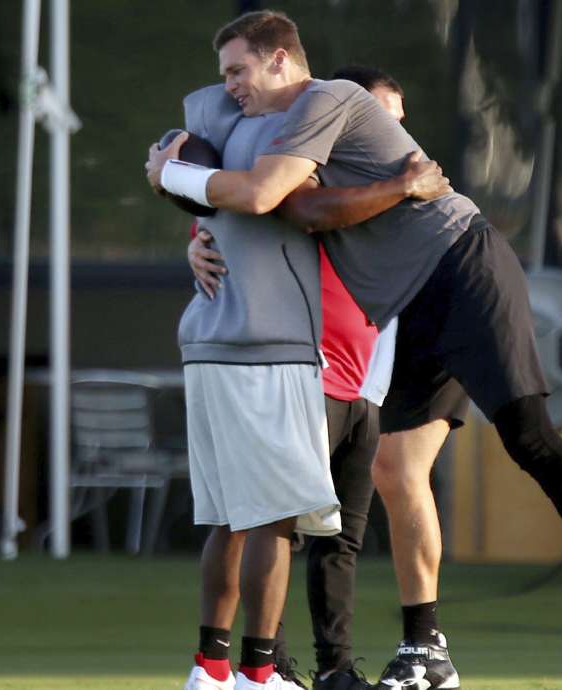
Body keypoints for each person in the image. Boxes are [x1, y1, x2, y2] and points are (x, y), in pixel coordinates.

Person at [147, 11, 562, 690]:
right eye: (225, 76)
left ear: (282, 60)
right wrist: (198, 224)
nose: (231, 87)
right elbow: (235, 176)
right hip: (409, 299)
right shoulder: (267, 119)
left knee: (527, 433)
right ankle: (425, 648)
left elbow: (288, 204)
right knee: (396, 467)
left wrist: (176, 179)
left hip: (461, 266)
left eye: (239, 70)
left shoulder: (325, 98)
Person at [173, 60, 452, 690]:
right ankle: (252, 668)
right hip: (298, 373)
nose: (392, 134)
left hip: (363, 384)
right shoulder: (309, 183)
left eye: (399, 122)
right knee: (264, 522)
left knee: (337, 536)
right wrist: (187, 218)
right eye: (380, 118)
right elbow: (253, 209)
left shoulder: (397, 192)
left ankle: (330, 669)